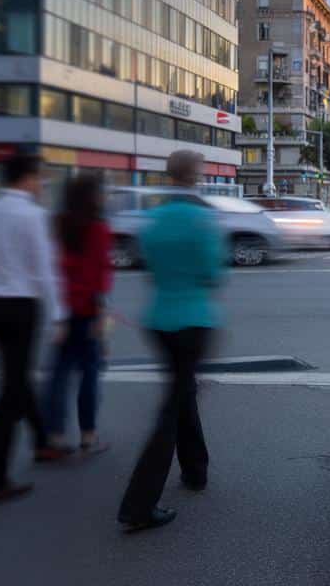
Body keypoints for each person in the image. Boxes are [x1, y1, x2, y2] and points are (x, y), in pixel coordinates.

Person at [117, 150, 224, 533]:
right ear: (195, 175)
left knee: (182, 390)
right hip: (193, 320)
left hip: (158, 318)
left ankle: (196, 470)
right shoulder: (202, 218)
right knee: (174, 402)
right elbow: (213, 272)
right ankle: (139, 504)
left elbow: (147, 261)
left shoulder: (154, 218)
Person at [0, 153, 70, 508]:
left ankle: (42, 442)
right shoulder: (34, 216)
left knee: (16, 376)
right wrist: (58, 316)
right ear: (28, 178)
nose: (42, 185)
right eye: (40, 179)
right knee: (9, 393)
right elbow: (45, 271)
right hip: (21, 307)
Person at [43, 173, 113, 456]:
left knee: (58, 375)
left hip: (62, 310)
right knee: (90, 373)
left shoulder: (58, 224)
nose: (104, 196)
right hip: (89, 310)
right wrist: (102, 321)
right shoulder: (98, 228)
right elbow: (99, 276)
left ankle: (56, 436)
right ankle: (88, 434)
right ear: (92, 196)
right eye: (100, 191)